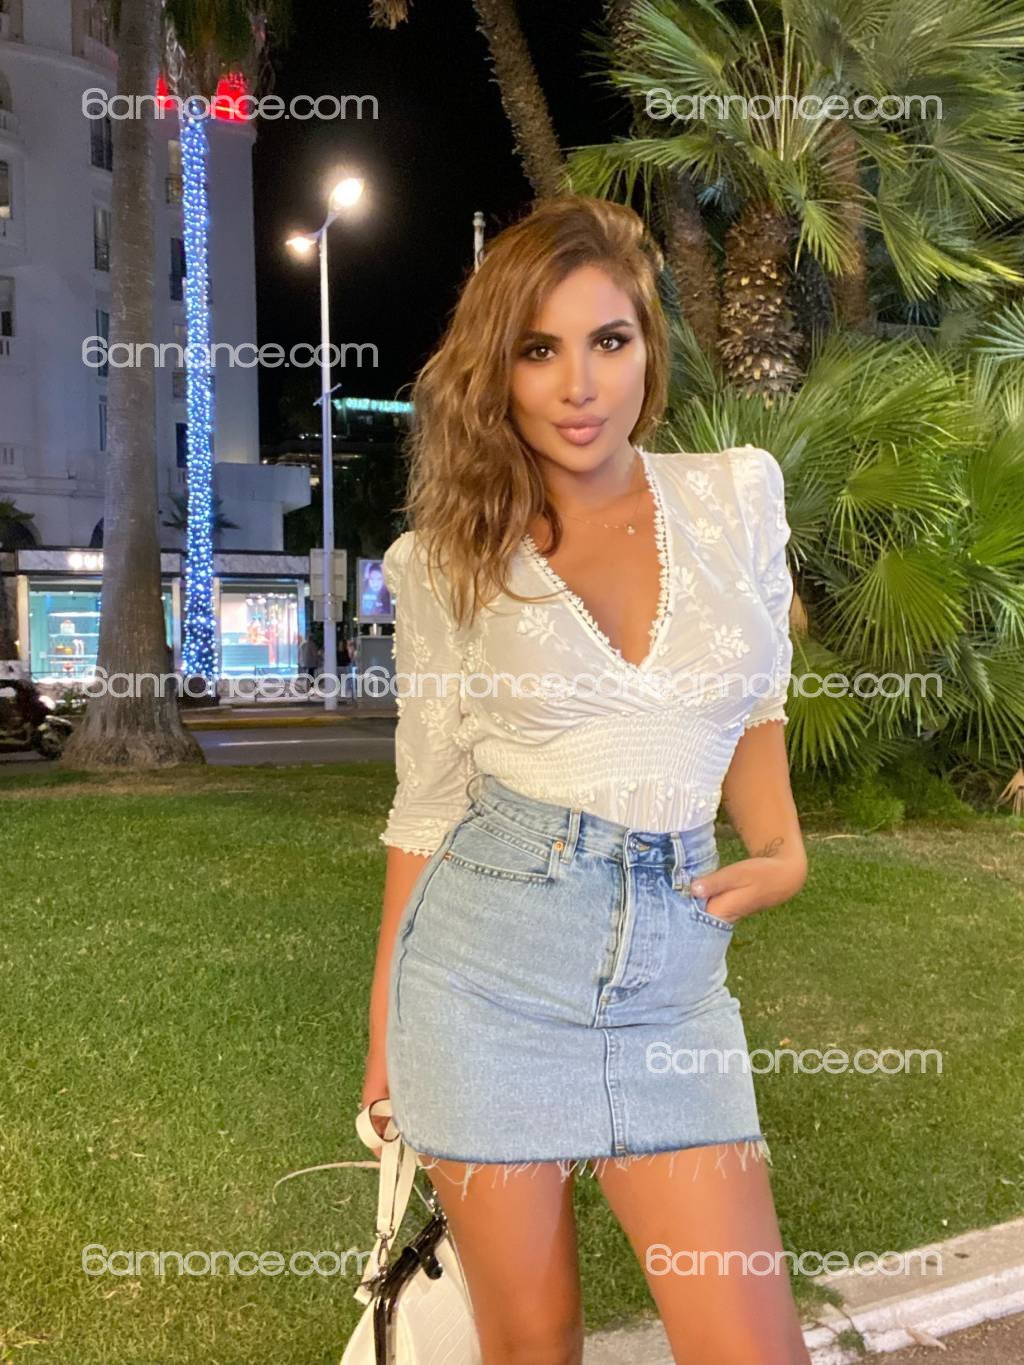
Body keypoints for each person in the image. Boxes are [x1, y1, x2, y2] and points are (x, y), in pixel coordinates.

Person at [363, 195, 810, 1364]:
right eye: (538, 349)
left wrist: (779, 851)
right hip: (484, 978)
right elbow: (426, 808)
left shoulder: (732, 498)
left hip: (674, 991)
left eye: (608, 341)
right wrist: (384, 1051)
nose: (579, 386)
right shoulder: (448, 560)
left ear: (648, 346)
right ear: (497, 373)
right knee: (534, 1346)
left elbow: (752, 694)